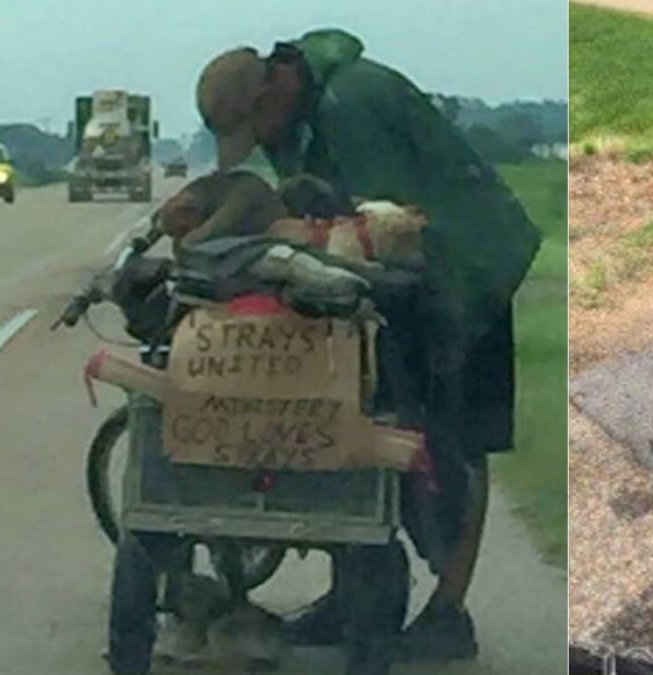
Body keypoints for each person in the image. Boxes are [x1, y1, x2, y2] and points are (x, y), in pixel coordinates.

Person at [190, 30, 540, 663]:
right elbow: (313, 204)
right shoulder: (303, 115)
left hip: (472, 267)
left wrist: (300, 239)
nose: (261, 145)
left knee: (456, 437)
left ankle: (447, 613)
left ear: (275, 88)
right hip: (420, 273)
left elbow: (386, 223)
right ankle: (350, 599)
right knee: (367, 413)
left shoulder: (353, 103)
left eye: (255, 128)